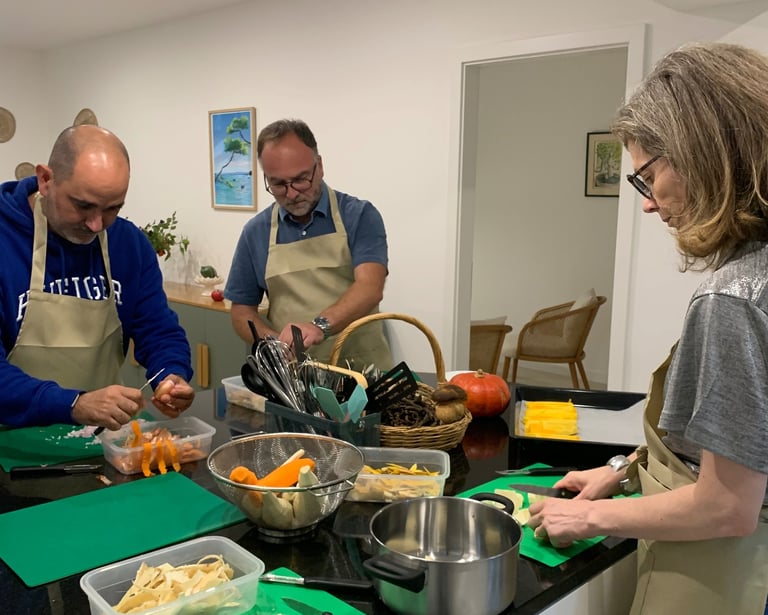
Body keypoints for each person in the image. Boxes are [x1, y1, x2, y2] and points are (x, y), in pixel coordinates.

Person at [527, 42, 768, 614]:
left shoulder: (732, 298)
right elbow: (739, 443)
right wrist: (620, 471)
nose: (649, 205)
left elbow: (726, 506)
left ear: (702, 154)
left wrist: (588, 515)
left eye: (648, 177)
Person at [0, 124, 195, 429]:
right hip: (9, 444)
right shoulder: (5, 241)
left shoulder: (128, 244)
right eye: (83, 206)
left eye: (113, 208)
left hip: (100, 442)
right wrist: (74, 404)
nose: (96, 225)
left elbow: (157, 329)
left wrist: (171, 373)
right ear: (46, 179)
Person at [225, 118, 392, 369]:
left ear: (320, 166)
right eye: (278, 184)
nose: (291, 193)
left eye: (301, 179)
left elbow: (370, 286)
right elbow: (241, 311)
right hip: (295, 380)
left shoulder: (358, 216)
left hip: (364, 373)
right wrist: (275, 344)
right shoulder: (256, 232)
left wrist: (318, 327)